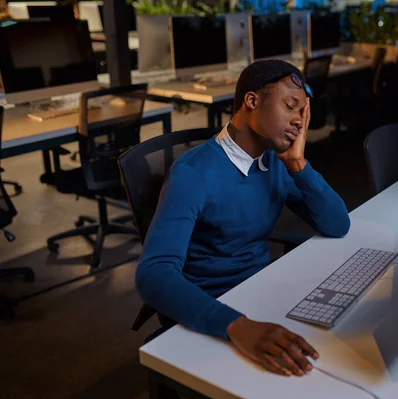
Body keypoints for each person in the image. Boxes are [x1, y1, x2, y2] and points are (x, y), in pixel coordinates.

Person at [135, 60, 351, 378]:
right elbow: (153, 274)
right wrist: (237, 326)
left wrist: (299, 164)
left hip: (261, 294)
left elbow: (337, 224)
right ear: (252, 102)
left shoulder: (275, 162)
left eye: (303, 113)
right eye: (291, 106)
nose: (298, 122)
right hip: (213, 311)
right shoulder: (193, 173)